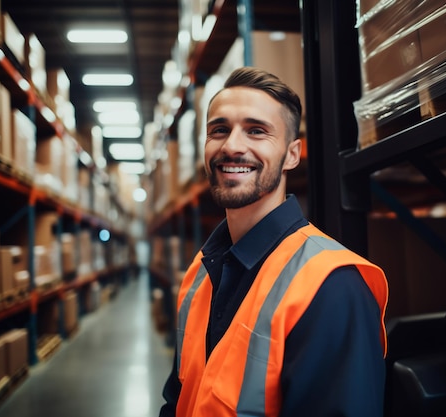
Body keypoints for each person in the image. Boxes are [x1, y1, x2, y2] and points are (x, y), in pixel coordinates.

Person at [159, 67, 389, 417]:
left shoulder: (331, 285)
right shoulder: (199, 275)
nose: (232, 146)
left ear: (292, 154)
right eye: (219, 130)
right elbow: (178, 399)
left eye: (256, 131)